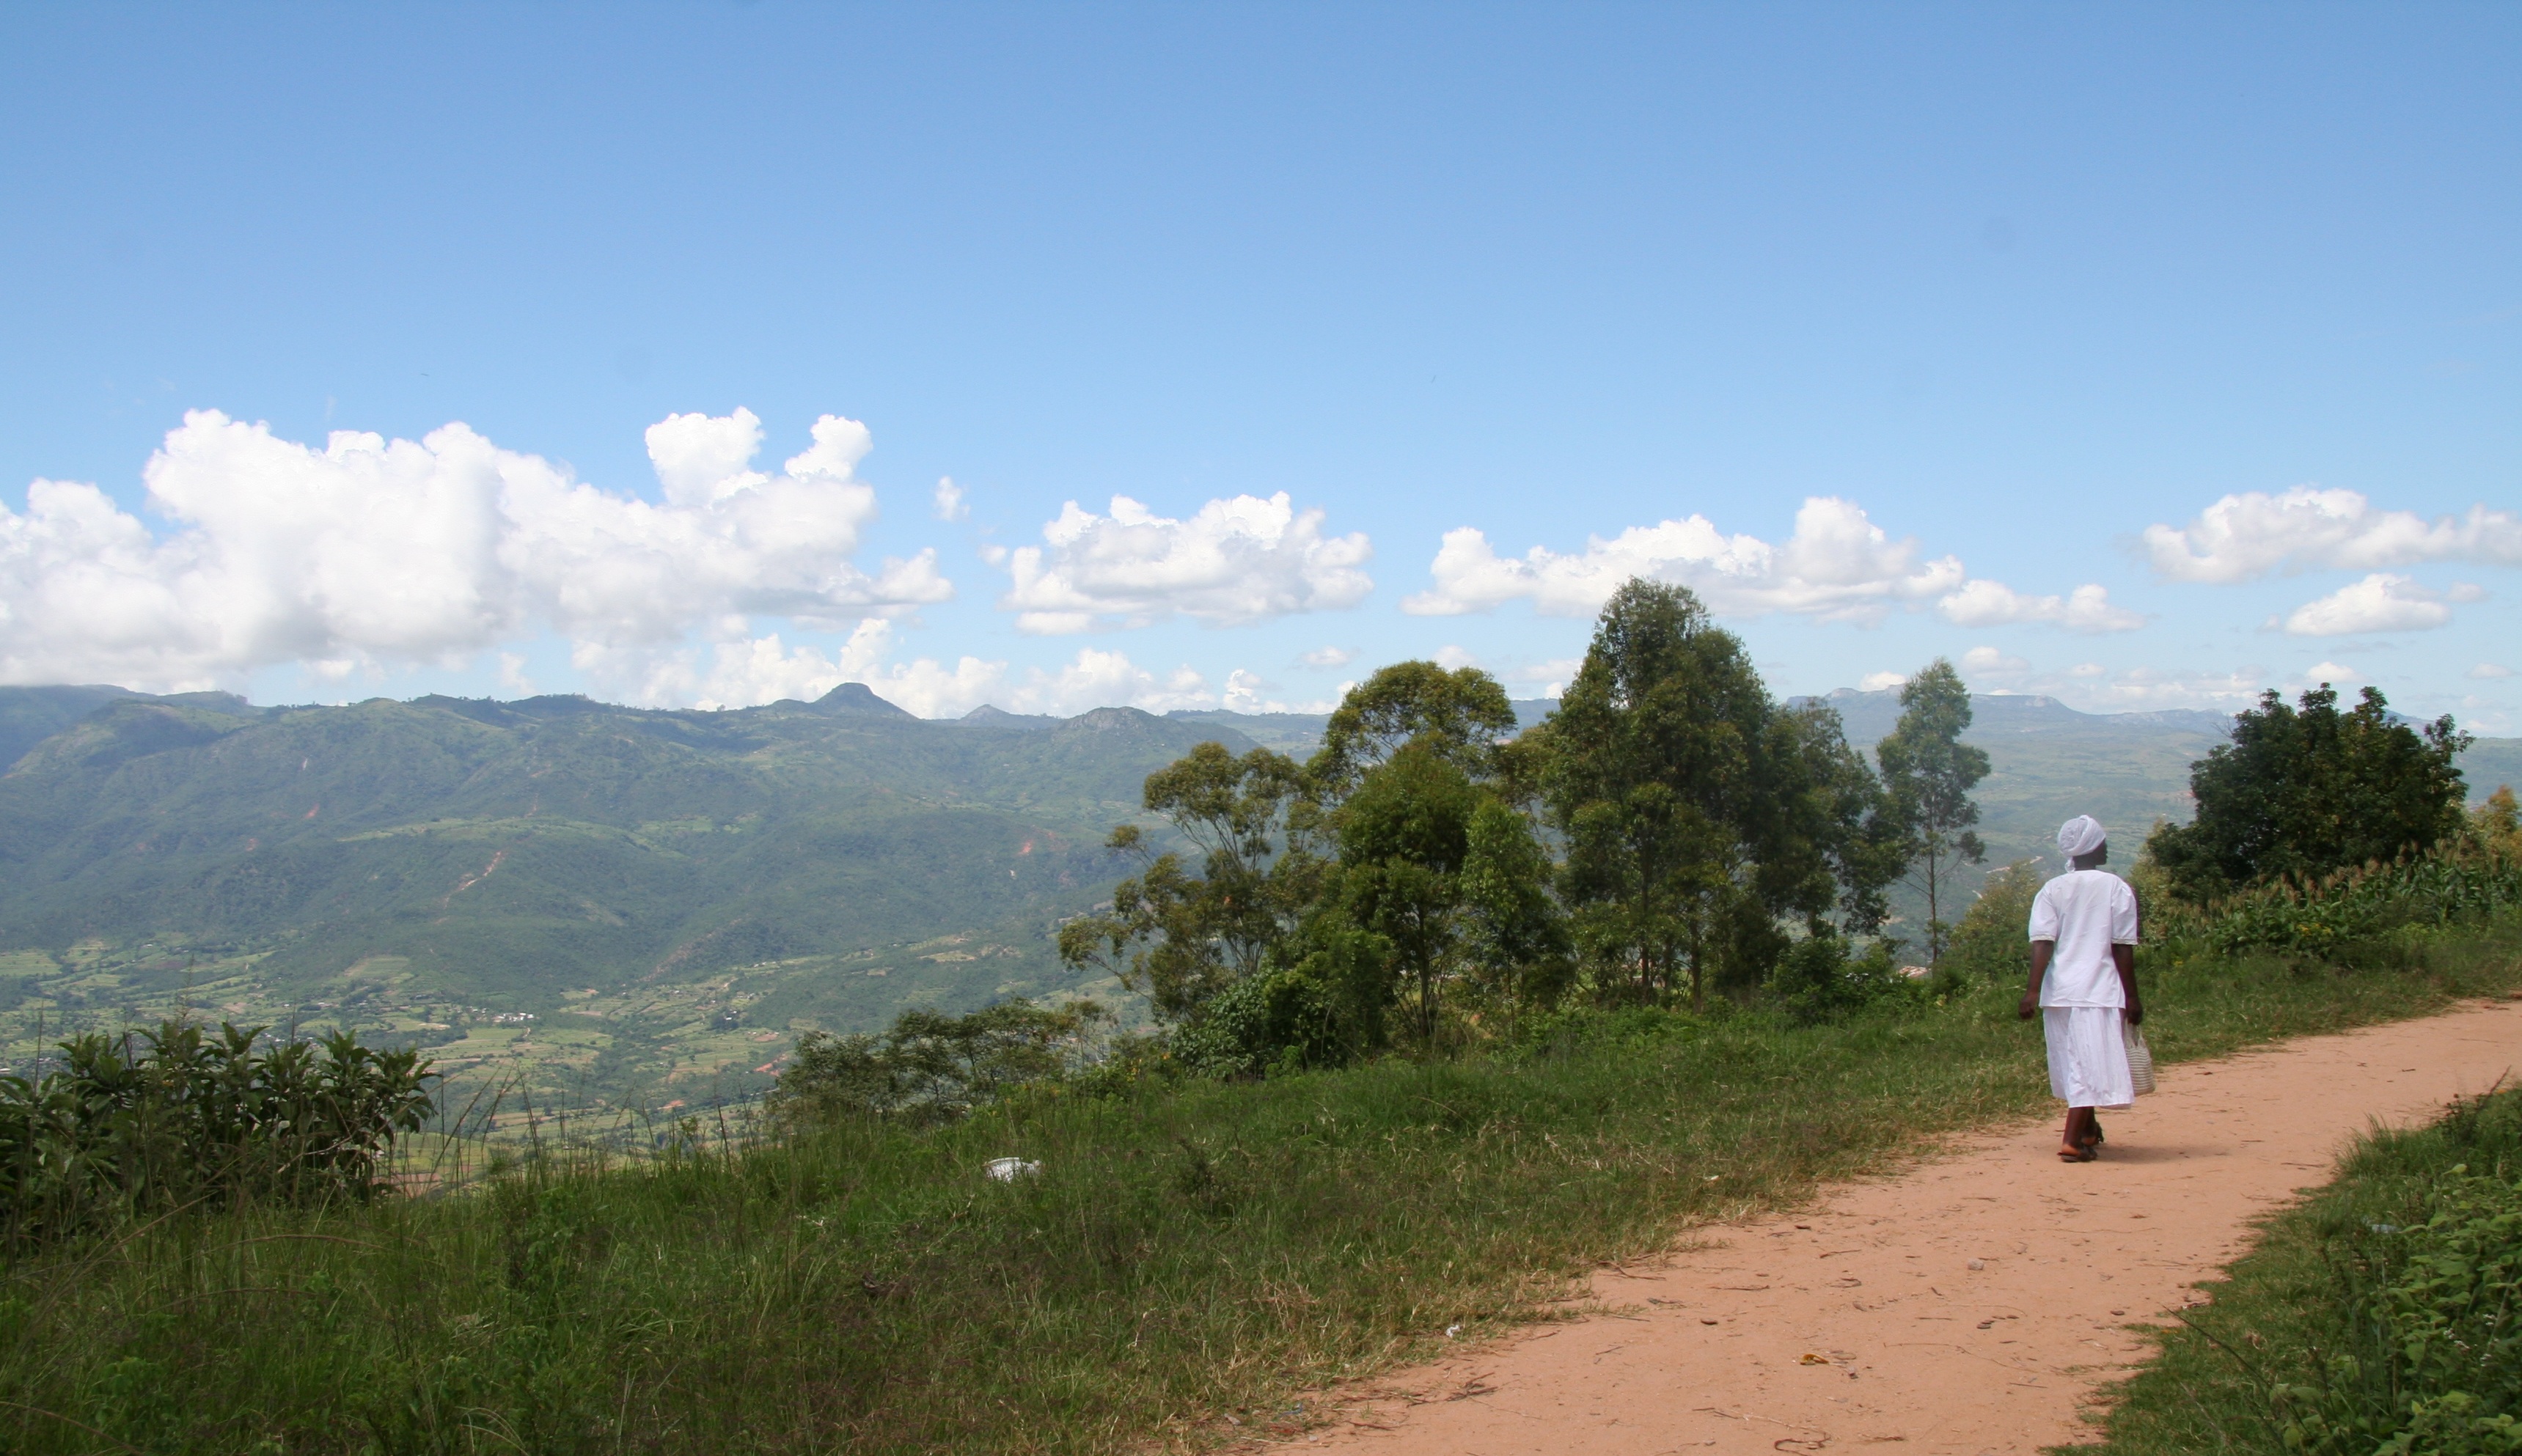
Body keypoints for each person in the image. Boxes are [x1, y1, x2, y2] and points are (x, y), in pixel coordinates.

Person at [2016, 815, 2143, 1162]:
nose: (2107, 847)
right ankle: (2072, 1140)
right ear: (2092, 847)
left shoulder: (2052, 889)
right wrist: (2132, 996)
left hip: (2059, 992)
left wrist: (2032, 991)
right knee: (2089, 1062)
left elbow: (2042, 942)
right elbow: (2121, 946)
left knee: (2073, 1060)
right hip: (2098, 989)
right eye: (2103, 842)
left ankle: (2088, 1129)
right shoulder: (2115, 886)